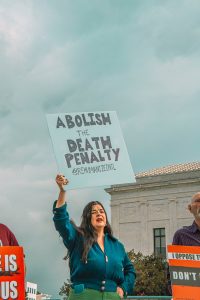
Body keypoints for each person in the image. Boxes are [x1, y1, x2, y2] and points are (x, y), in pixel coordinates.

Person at [53, 174, 136, 300]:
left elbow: (130, 271)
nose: (99, 214)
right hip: (84, 296)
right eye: (94, 212)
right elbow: (61, 221)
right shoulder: (77, 238)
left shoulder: (117, 246)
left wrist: (123, 288)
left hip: (112, 297)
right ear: (88, 218)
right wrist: (62, 192)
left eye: (102, 211)